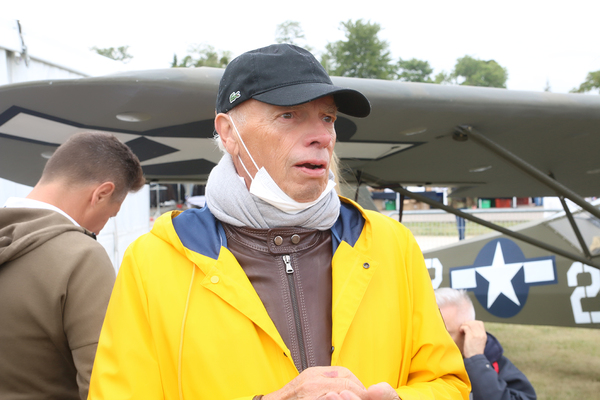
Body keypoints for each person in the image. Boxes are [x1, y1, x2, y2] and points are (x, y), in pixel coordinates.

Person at [89, 44, 469, 400]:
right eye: (289, 116)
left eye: (328, 118)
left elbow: (449, 383)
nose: (322, 136)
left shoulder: (391, 245)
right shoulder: (154, 260)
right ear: (228, 132)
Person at [0, 131, 145, 400]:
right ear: (102, 194)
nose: (102, 228)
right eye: (111, 215)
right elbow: (104, 386)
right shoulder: (81, 257)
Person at [435, 288, 537, 400]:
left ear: (467, 333)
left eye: (445, 334)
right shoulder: (419, 360)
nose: (432, 341)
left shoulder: (492, 363)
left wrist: (477, 361)